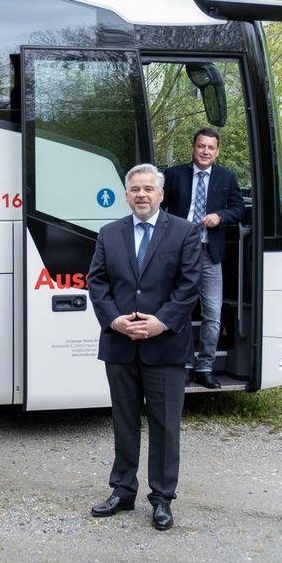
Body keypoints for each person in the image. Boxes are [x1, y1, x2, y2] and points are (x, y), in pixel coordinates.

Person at [87, 163, 201, 531]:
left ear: (161, 194)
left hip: (165, 346)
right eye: (135, 189)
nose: (141, 195)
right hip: (120, 345)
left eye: (148, 189)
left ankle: (162, 497)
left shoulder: (184, 232)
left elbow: (188, 286)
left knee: (165, 426)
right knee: (124, 421)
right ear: (126, 194)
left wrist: (161, 322)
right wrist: (115, 320)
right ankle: (122, 490)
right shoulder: (109, 233)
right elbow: (97, 282)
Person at [162, 127, 244, 388]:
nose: (205, 151)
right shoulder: (174, 175)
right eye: (201, 146)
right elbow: (158, 208)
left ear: (217, 151)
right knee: (181, 311)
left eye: (211, 147)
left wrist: (220, 216)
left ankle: (205, 367)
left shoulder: (226, 177)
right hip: (179, 254)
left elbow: (238, 208)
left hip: (210, 254)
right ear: (193, 148)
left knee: (212, 313)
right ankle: (185, 365)